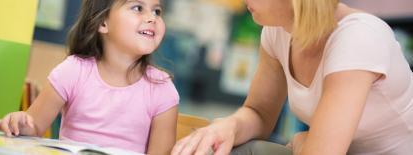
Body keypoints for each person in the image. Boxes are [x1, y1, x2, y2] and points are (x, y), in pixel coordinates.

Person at [172, 0, 413, 155]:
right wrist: (227, 127)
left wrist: (300, 141)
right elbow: (259, 112)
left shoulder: (358, 37)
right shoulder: (278, 30)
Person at [0, 0, 179, 154]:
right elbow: (34, 127)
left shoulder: (162, 88)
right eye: (138, 8)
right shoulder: (73, 70)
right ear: (103, 23)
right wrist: (19, 123)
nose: (152, 18)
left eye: (157, 11)